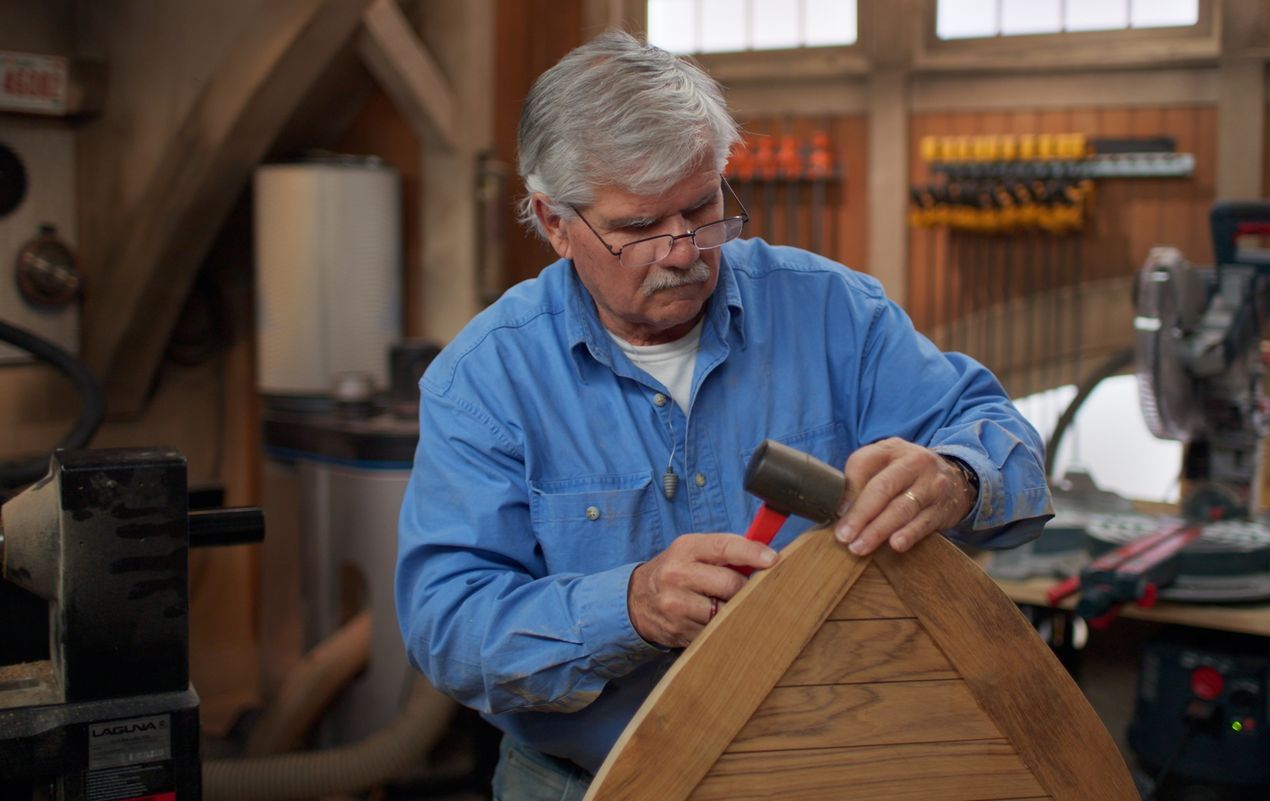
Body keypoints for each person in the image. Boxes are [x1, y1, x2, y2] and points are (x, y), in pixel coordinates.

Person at [395, 29, 1052, 801]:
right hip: (585, 785)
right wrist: (629, 605)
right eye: (640, 226)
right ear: (554, 222)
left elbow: (1011, 450)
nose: (684, 250)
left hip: (832, 773)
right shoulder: (486, 381)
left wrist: (955, 478)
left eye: (702, 206)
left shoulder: (837, 314)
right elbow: (449, 629)